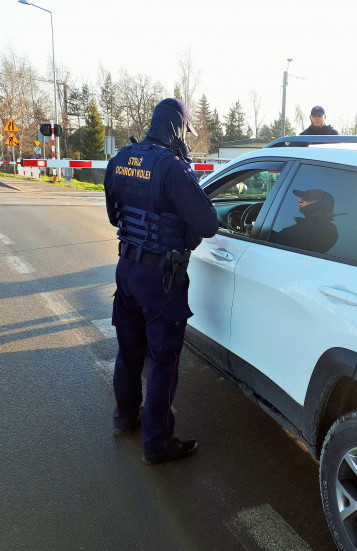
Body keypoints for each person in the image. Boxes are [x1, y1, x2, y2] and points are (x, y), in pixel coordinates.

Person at [103, 98, 218, 465]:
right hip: (162, 280)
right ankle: (157, 444)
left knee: (130, 351)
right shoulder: (173, 169)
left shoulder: (120, 159)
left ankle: (124, 418)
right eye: (186, 130)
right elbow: (209, 225)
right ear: (178, 128)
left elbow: (112, 216)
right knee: (163, 361)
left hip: (127, 269)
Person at [270, 189, 339, 253]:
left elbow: (278, 240)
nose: (299, 200)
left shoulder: (316, 229)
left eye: (307, 199)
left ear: (321, 204)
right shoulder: (328, 228)